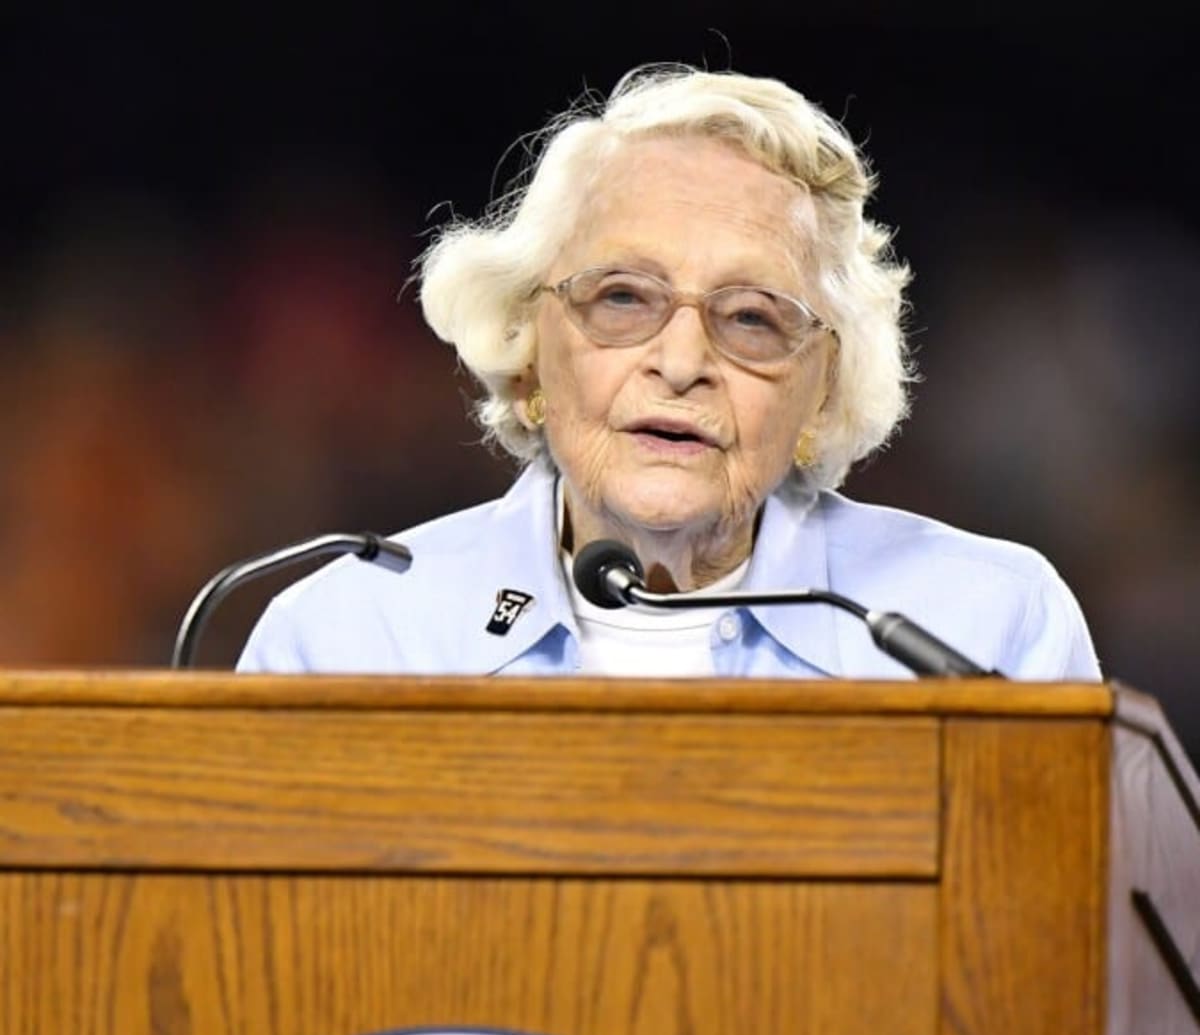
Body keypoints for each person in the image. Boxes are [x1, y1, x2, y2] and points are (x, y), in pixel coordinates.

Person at [238, 66, 1099, 679]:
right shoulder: (352, 639)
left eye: (752, 318)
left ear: (823, 388)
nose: (683, 363)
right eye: (621, 299)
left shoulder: (981, 629)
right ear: (529, 346)